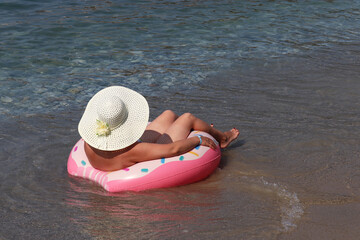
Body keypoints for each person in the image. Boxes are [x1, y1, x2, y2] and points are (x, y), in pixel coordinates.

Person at [78, 86, 239, 171]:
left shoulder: (88, 142)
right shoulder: (134, 151)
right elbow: (173, 150)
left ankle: (190, 128)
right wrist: (197, 139)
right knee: (187, 118)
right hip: (135, 155)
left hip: (120, 153)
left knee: (169, 115)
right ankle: (223, 138)